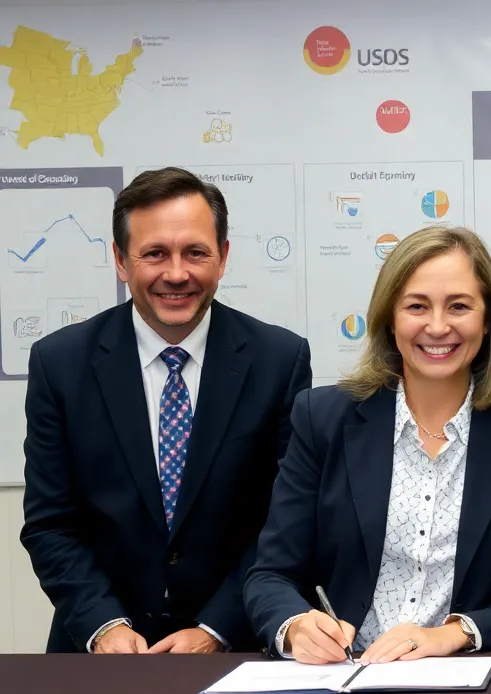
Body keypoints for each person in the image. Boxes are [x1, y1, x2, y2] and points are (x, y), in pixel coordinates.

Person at [21, 166, 312, 654]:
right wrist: (103, 626)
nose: (176, 274)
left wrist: (217, 629)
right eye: (154, 253)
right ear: (119, 260)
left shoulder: (279, 361)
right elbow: (51, 523)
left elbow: (285, 523)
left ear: (222, 257)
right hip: (97, 654)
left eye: (195, 252)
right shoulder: (60, 364)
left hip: (237, 646)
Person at [244, 226, 491, 664]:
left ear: (487, 321)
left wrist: (458, 633)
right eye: (417, 306)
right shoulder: (323, 419)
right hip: (343, 676)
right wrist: (295, 626)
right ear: (390, 318)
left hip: (467, 682)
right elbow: (270, 575)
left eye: (459, 306)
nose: (437, 325)